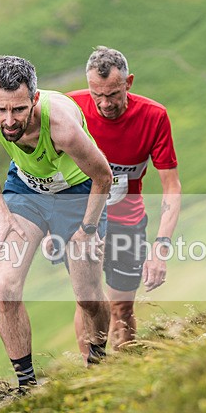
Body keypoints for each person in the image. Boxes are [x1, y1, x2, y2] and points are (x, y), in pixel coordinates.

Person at [0, 55, 112, 388]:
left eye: (18, 109)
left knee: (87, 295)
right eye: (1, 109)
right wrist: (0, 211)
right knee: (4, 288)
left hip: (78, 193)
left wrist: (87, 230)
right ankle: (26, 386)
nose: (8, 120)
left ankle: (100, 365)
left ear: (34, 98)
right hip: (27, 189)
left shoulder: (61, 125)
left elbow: (104, 177)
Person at [67, 46, 181, 355]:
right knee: (87, 300)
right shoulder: (71, 107)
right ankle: (91, 373)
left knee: (122, 309)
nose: (104, 104)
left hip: (127, 221)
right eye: (97, 94)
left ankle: (126, 369)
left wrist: (160, 249)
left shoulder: (153, 116)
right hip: (83, 222)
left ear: (128, 82)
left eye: (113, 94)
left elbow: (171, 186)